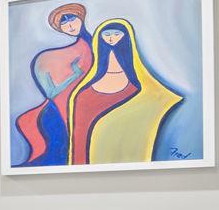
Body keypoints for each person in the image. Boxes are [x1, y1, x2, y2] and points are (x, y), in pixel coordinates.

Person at [64, 16, 184, 165]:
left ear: (126, 37)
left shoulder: (140, 89)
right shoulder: (82, 95)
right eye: (106, 35)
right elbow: (79, 140)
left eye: (116, 34)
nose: (111, 38)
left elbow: (160, 98)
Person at [14, 2, 91, 167]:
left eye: (72, 19)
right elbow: (51, 93)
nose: (69, 25)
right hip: (59, 112)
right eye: (64, 23)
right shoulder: (48, 58)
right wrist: (74, 76)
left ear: (81, 19)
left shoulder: (94, 46)